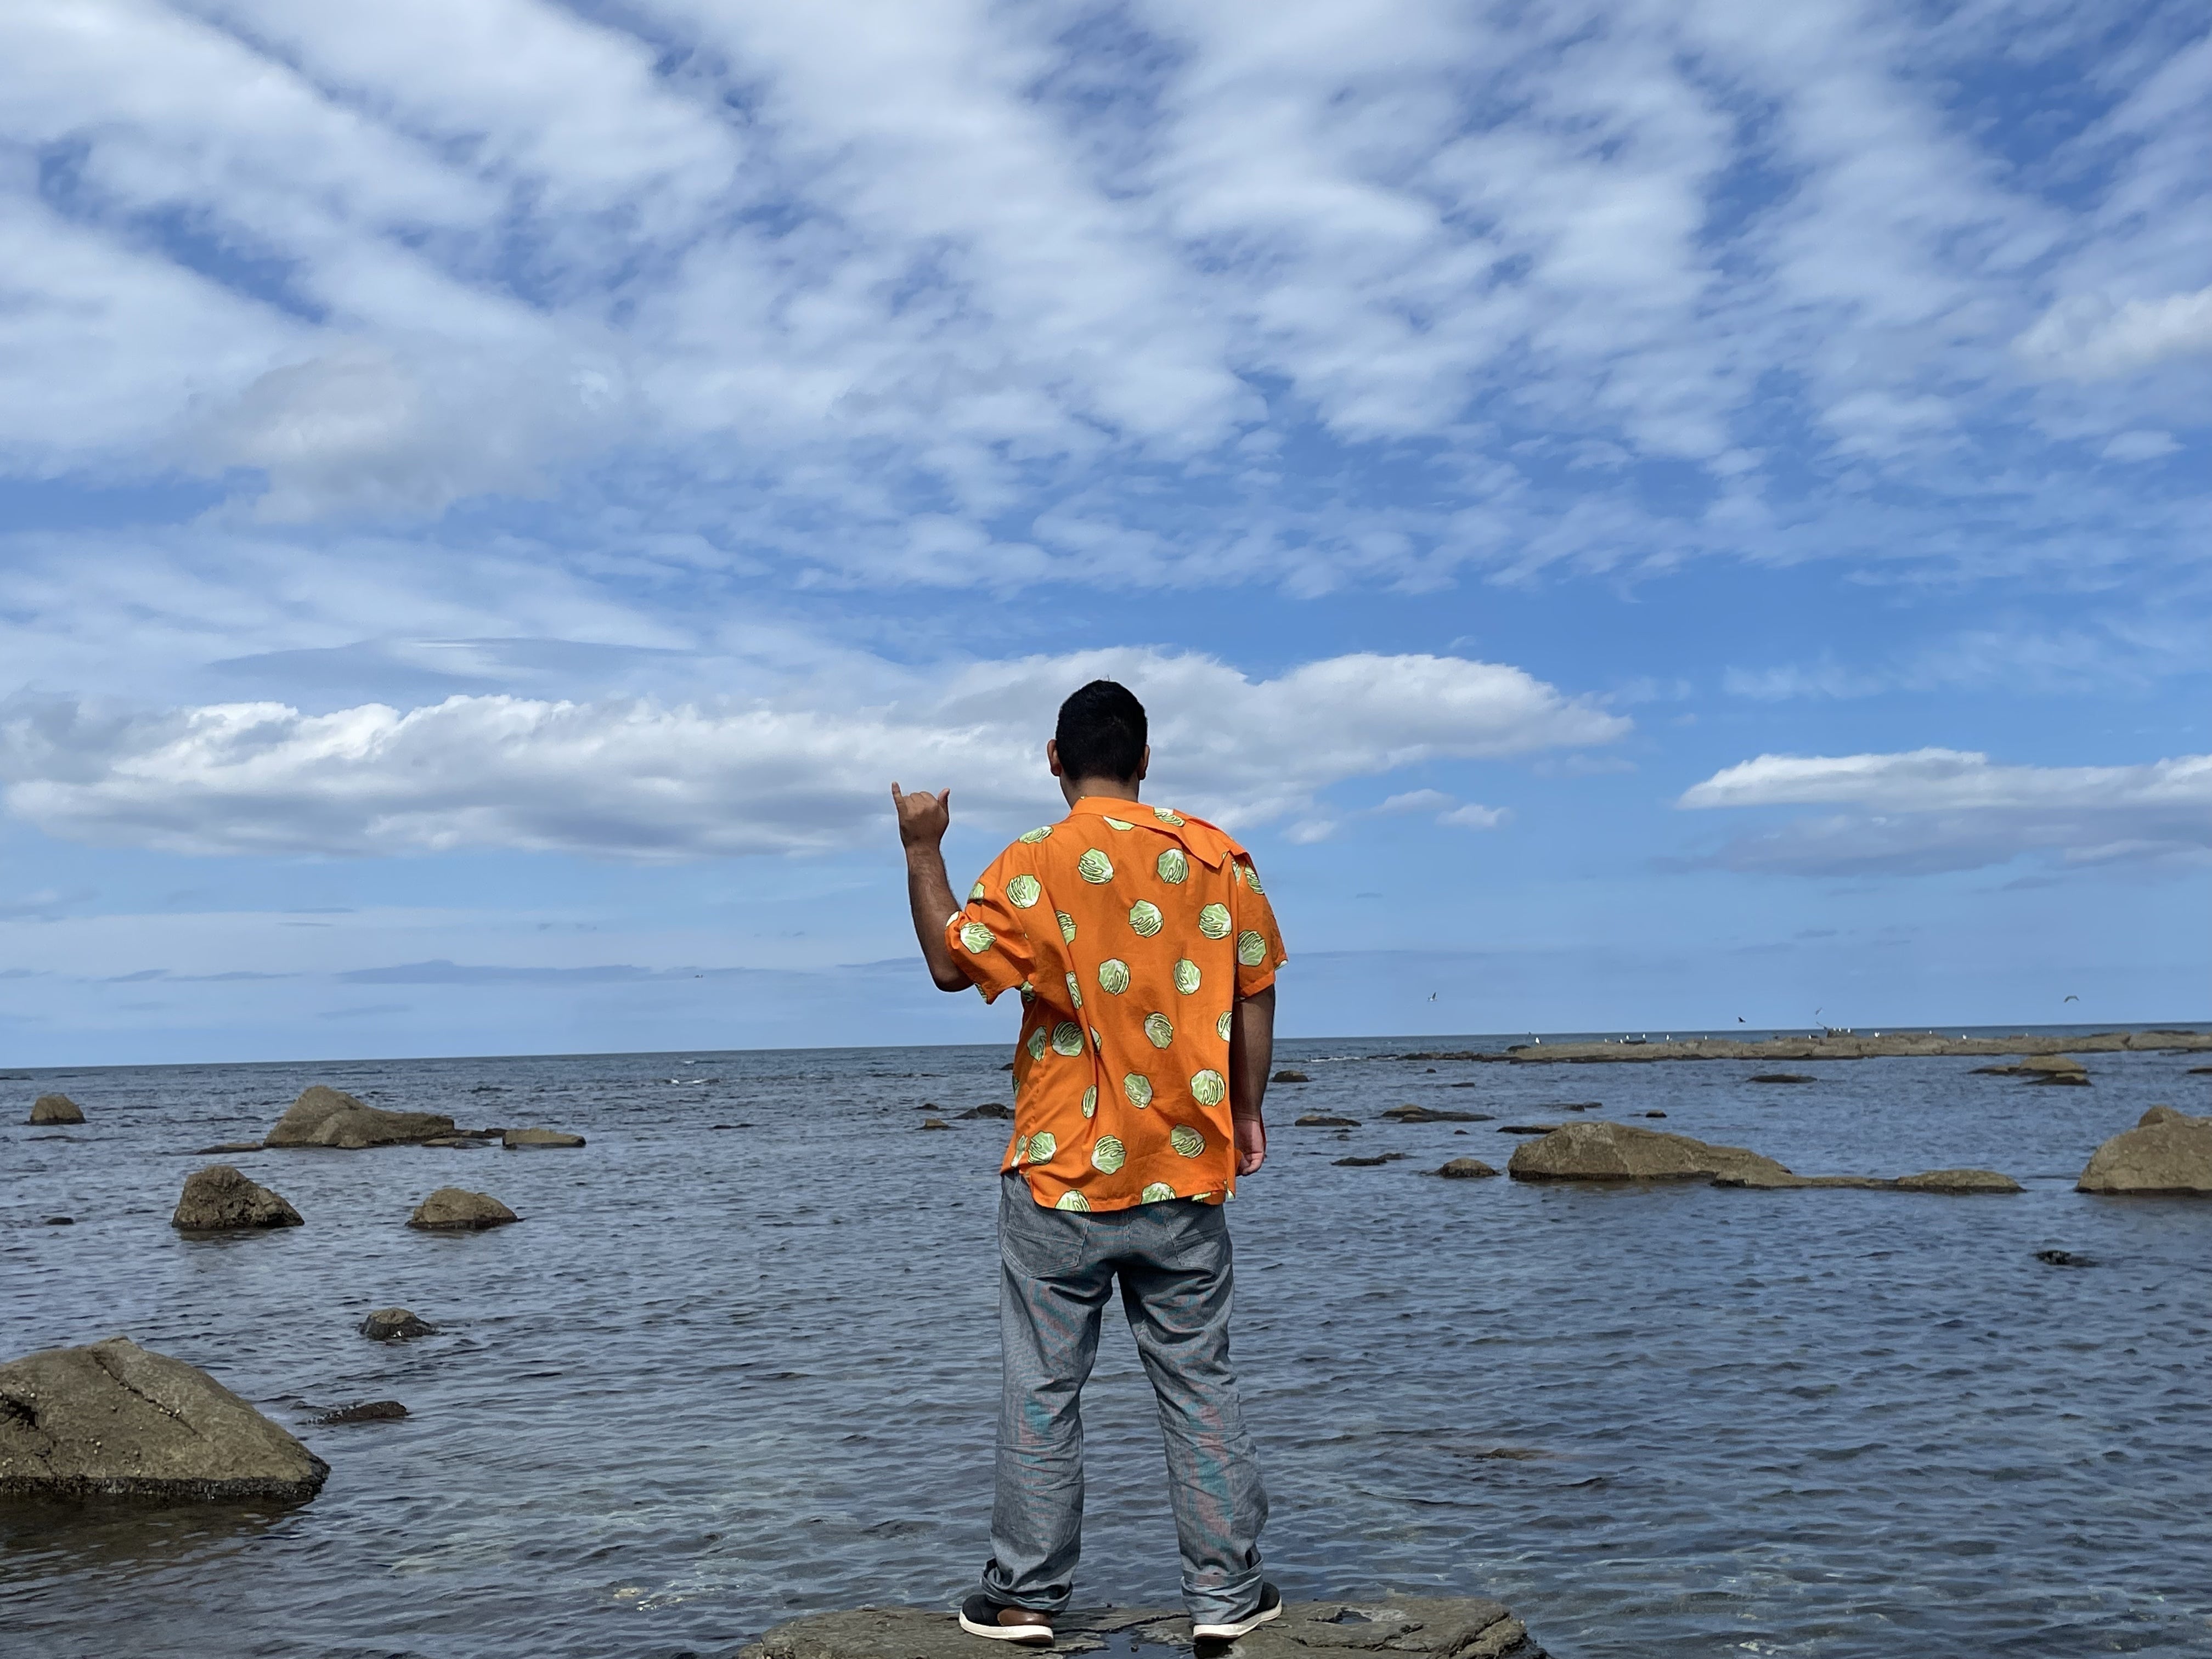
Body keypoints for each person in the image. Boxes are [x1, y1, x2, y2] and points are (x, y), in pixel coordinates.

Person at [891, 678, 1287, 1648]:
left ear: (1054, 760)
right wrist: (1246, 1111)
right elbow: (1254, 991)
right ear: (1145, 759)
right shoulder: (1218, 857)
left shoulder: (1033, 863)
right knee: (1199, 1382)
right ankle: (1226, 1599)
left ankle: (1027, 1599)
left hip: (1060, 1171)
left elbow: (951, 964)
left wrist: (922, 847)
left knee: (1042, 1387)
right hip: (1183, 1167)